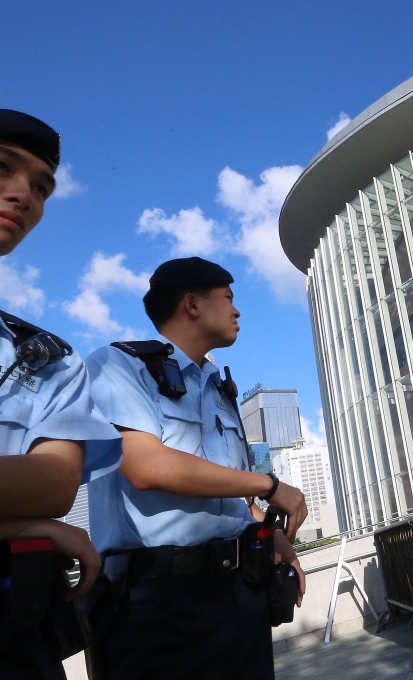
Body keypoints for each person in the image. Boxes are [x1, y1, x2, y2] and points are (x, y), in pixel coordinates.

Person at [0, 107, 123, 679]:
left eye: (41, 187)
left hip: (1, 642)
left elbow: (53, 485)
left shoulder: (46, 357)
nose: (25, 195)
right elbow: (33, 507)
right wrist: (11, 523)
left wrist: (30, 514)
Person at [85, 256, 308, 680]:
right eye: (227, 298)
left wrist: (273, 534)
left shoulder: (219, 388)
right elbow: (145, 466)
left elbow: (232, 499)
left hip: (239, 594)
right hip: (158, 604)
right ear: (192, 304)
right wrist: (269, 484)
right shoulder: (118, 366)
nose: (237, 310)